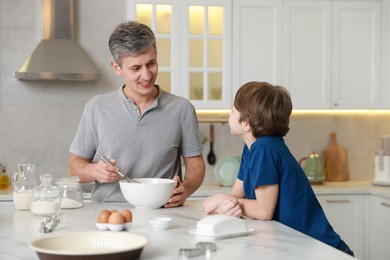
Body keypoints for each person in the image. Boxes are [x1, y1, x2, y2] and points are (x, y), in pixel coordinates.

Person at [202, 82, 354, 256]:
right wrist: (225, 207)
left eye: (232, 111)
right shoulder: (252, 148)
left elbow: (263, 211)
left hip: (322, 250)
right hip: (299, 246)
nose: (228, 115)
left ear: (246, 123)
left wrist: (222, 199)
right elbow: (237, 196)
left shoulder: (264, 148)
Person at [68, 21, 205, 206]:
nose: (147, 75)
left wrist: (186, 188)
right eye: (135, 68)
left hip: (162, 215)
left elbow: (195, 165)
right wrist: (94, 171)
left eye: (151, 63)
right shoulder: (96, 108)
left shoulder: (182, 109)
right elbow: (74, 167)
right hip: (107, 214)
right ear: (117, 68)